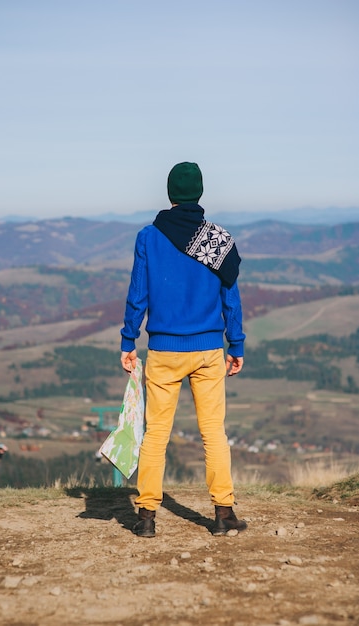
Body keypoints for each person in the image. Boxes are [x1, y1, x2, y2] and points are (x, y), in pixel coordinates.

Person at [120, 161, 247, 538]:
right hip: (209, 351)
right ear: (200, 193)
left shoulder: (149, 236)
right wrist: (235, 343)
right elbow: (231, 298)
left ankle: (145, 517)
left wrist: (129, 340)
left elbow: (137, 294)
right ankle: (223, 514)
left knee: (156, 433)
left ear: (171, 193)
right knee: (213, 433)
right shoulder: (217, 240)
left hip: (163, 352)